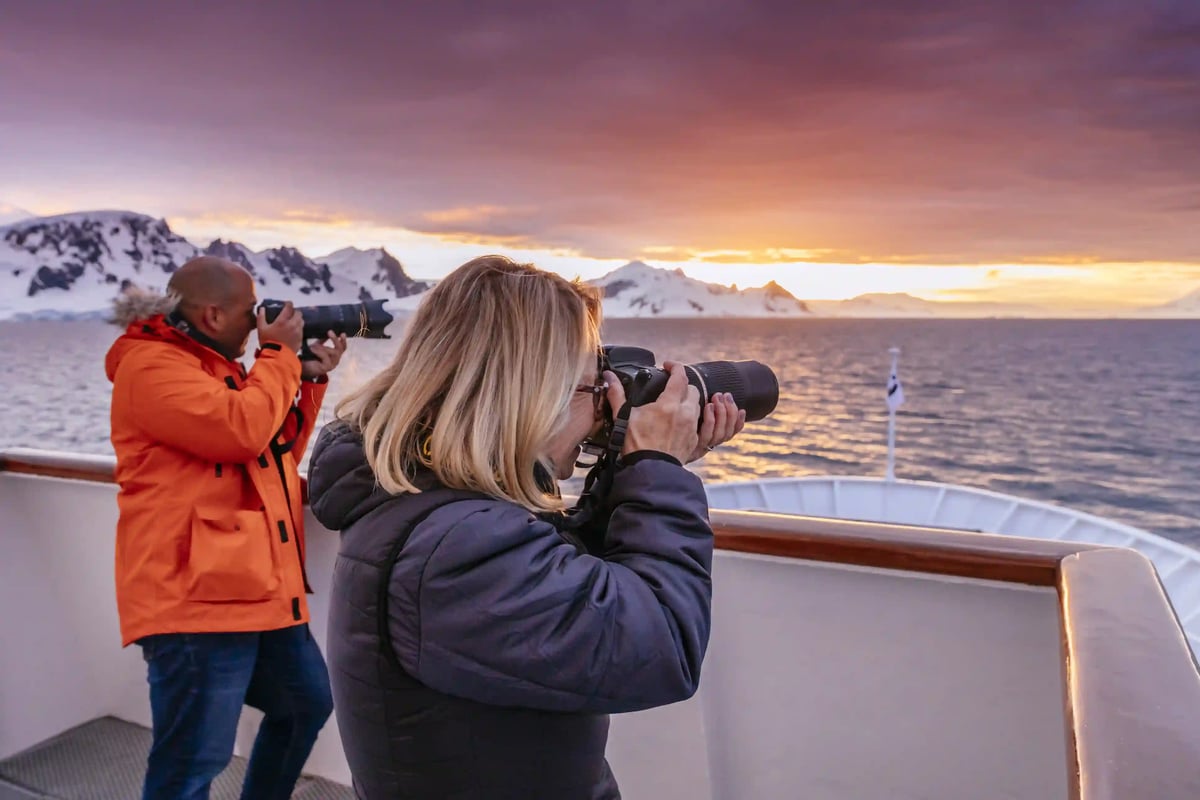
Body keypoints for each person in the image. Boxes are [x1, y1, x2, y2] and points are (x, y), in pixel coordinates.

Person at [307, 254, 745, 799]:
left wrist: (629, 473)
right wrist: (658, 470)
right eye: (590, 389)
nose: (599, 412)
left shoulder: (428, 505)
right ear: (530, 396)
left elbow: (561, 583)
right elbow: (660, 644)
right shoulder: (453, 548)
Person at [104, 256, 348, 800]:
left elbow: (269, 451)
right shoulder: (152, 367)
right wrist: (279, 354)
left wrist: (305, 379)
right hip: (194, 599)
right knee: (194, 758)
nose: (257, 323)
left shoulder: (220, 368)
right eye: (250, 312)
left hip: (255, 587)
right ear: (212, 314)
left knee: (305, 702)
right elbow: (238, 432)